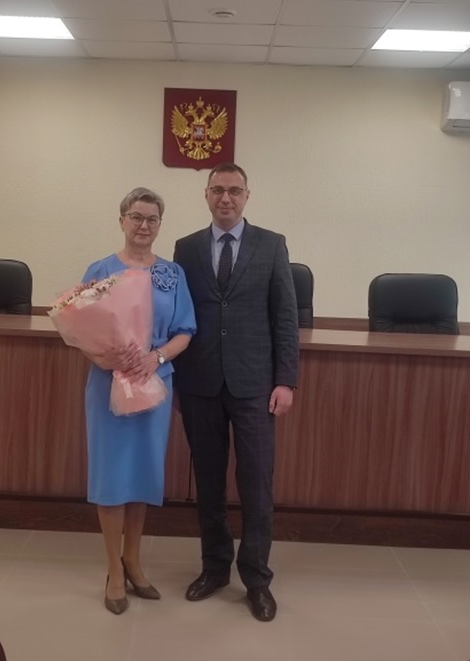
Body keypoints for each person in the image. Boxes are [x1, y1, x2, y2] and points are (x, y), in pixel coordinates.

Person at [174, 163, 299, 622]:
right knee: (208, 484)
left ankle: (257, 580)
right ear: (206, 195)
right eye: (217, 190)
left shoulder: (272, 244)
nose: (225, 198)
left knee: (256, 485)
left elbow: (285, 316)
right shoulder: (186, 248)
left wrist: (285, 380)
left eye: (234, 190)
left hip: (255, 386)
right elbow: (178, 314)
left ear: (247, 195)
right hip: (200, 383)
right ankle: (214, 569)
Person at [82, 187, 196, 615]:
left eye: (151, 219)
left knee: (143, 474)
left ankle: (134, 560)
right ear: (122, 221)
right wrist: (106, 358)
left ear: (159, 225)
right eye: (136, 217)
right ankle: (114, 569)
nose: (143, 225)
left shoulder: (173, 274)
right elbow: (80, 329)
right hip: (108, 385)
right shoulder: (101, 270)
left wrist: (156, 357)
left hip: (154, 383)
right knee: (111, 476)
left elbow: (185, 331)